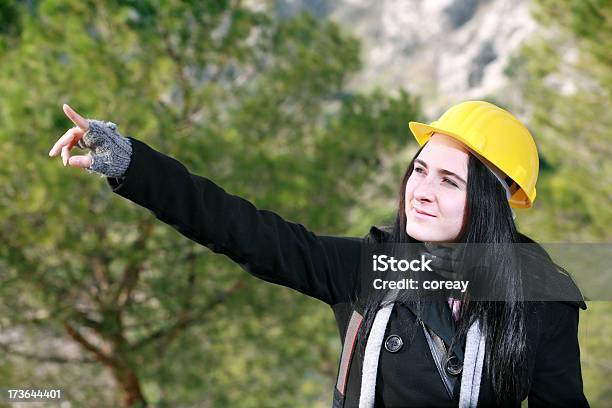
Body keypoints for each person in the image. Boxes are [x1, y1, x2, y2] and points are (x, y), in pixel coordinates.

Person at [48, 100, 588, 407]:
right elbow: (241, 229)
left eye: (450, 181)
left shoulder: (541, 299)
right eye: (420, 170)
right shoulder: (368, 269)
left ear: (491, 207)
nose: (421, 190)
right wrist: (130, 164)